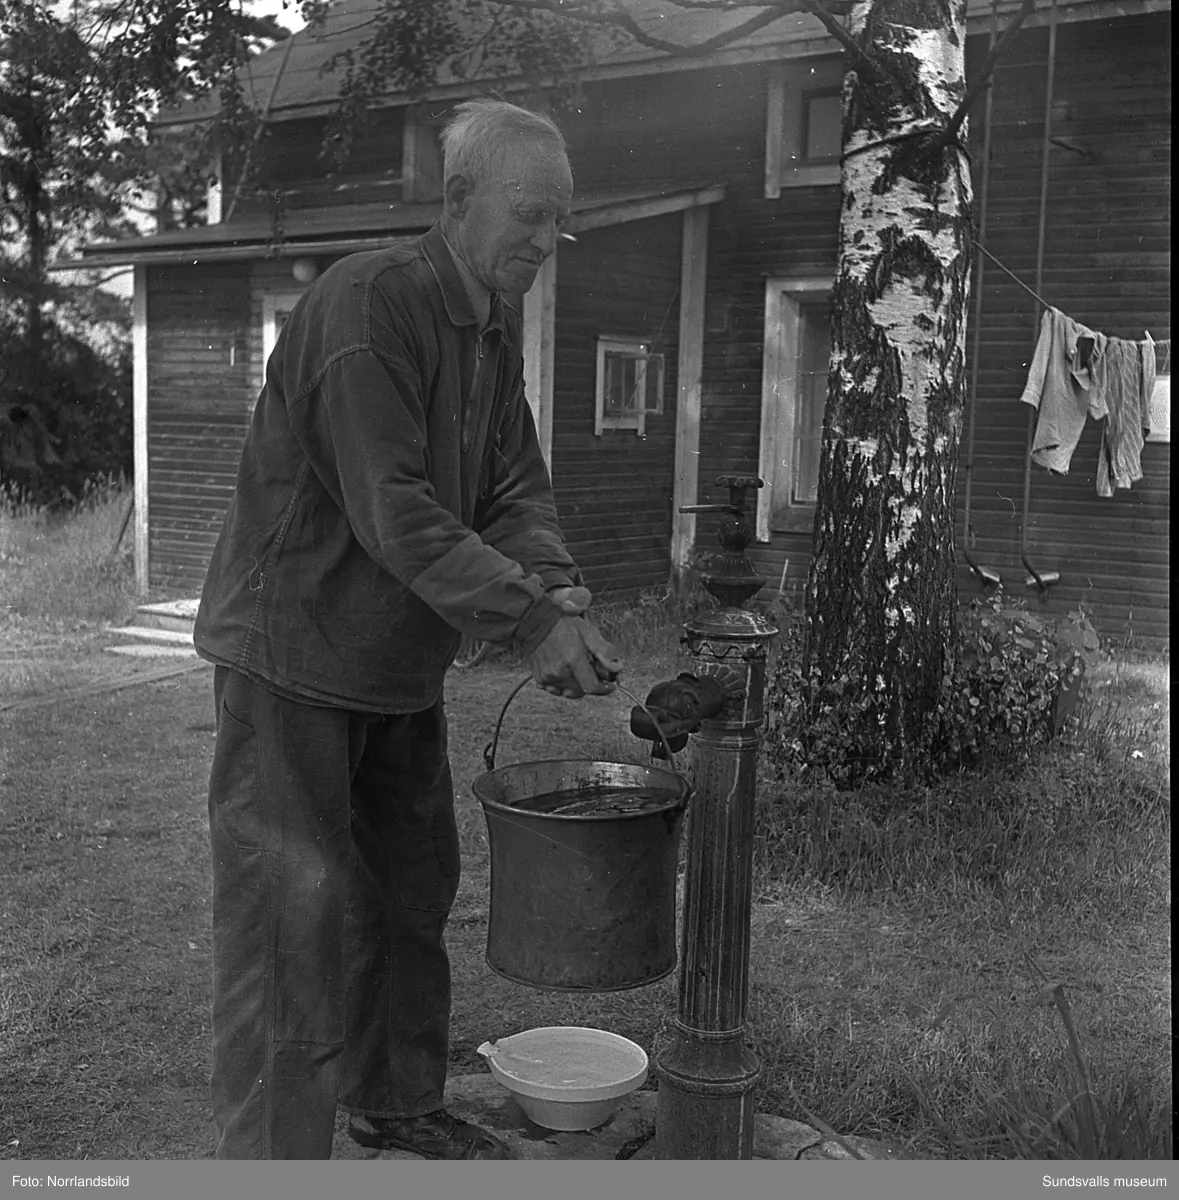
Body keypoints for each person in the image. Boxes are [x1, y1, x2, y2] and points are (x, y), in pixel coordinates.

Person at [193, 98, 622, 1160]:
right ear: (459, 201)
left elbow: (513, 484)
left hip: (392, 665)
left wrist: (558, 588)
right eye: (529, 214)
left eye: (558, 222)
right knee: (291, 915)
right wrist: (526, 621)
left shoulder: (489, 330)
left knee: (408, 894)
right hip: (290, 652)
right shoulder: (370, 306)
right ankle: (271, 1159)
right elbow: (395, 507)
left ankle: (394, 1099)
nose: (543, 241)